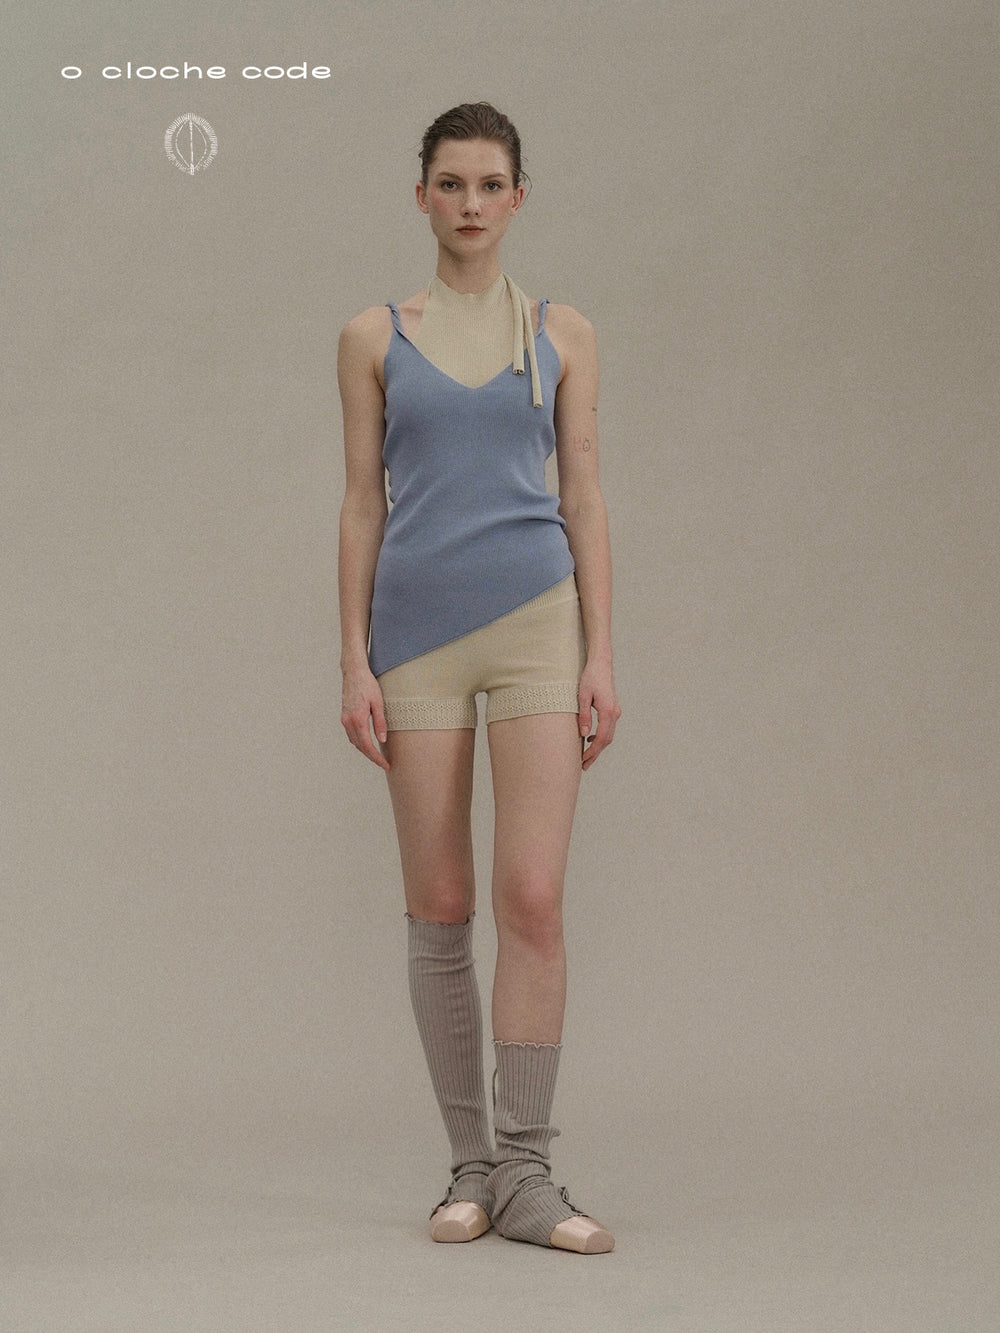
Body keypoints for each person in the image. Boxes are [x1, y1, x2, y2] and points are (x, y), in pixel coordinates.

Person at [337, 102, 621, 1254]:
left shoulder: (563, 333)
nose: (468, 203)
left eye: (489, 183)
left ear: (517, 198)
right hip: (415, 638)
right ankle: (469, 1168)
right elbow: (362, 502)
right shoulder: (371, 336)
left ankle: (528, 1171)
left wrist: (602, 651)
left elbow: (583, 495)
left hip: (538, 624)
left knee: (532, 898)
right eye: (449, 183)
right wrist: (351, 657)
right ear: (422, 197)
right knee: (441, 903)